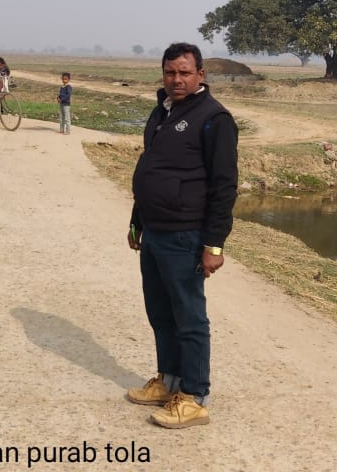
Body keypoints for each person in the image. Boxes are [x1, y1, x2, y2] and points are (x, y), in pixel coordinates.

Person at [125, 42, 238, 429]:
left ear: (200, 75)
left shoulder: (214, 119)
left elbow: (224, 187)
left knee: (189, 317)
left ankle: (193, 396)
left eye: (185, 73)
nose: (177, 79)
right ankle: (169, 381)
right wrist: (137, 220)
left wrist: (214, 245)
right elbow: (151, 168)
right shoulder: (162, 111)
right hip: (155, 231)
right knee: (160, 312)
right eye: (170, 72)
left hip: (186, 235)